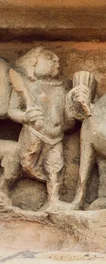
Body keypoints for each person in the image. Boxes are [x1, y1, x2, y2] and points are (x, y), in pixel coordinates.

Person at [7, 47, 88, 212]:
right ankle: (5, 191)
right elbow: (12, 110)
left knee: (56, 168)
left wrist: (75, 107)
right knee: (25, 164)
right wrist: (25, 117)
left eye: (58, 61)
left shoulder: (62, 86)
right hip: (33, 135)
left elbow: (67, 118)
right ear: (34, 63)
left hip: (56, 137)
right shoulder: (26, 85)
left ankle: (53, 201)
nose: (57, 63)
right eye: (51, 59)